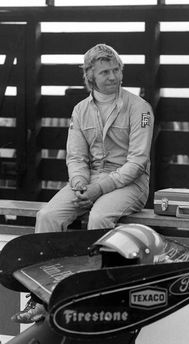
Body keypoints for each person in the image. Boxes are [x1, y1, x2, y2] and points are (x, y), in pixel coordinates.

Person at [11, 43, 154, 323]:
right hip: (89, 180)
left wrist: (97, 189)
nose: (113, 77)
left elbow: (137, 164)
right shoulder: (80, 110)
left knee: (100, 216)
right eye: (104, 72)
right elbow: (76, 157)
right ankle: (41, 298)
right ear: (90, 76)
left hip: (130, 183)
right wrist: (78, 184)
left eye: (116, 70)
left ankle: (96, 296)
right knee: (48, 215)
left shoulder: (141, 108)